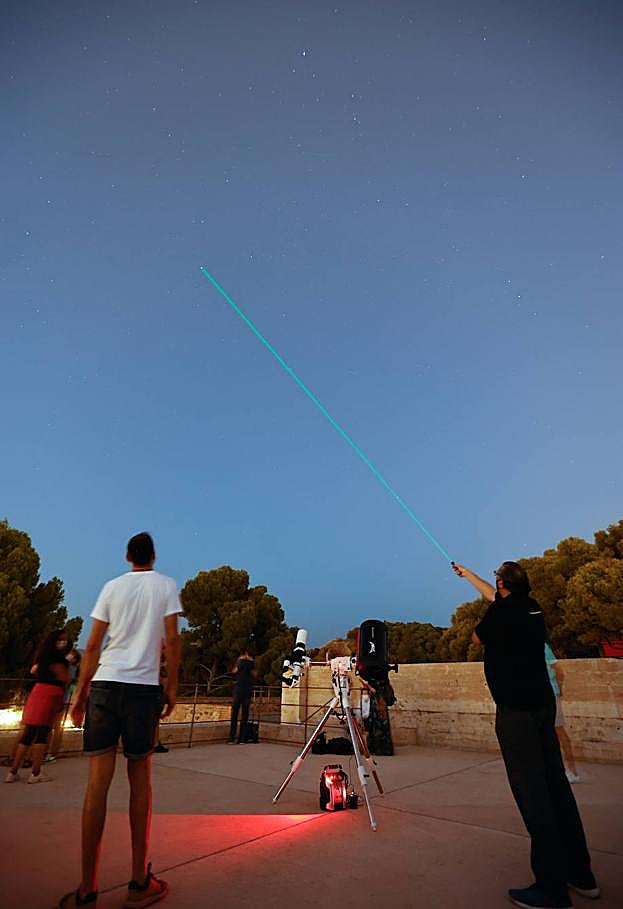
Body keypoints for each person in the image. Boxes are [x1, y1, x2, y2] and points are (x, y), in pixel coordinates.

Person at [452, 560, 598, 909]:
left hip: (517, 712)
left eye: (495, 578)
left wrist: (487, 600)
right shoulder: (532, 607)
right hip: (541, 708)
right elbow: (497, 600)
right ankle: (581, 875)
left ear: (502, 583)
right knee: (557, 787)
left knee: (534, 795)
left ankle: (550, 888)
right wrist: (467, 575)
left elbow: (477, 637)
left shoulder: (502, 613)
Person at [56, 532, 181, 909]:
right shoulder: (166, 585)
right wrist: (170, 687)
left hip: (106, 686)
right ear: (153, 556)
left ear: (127, 556)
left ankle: (86, 889)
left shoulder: (111, 587)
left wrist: (80, 696)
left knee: (97, 787)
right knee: (139, 781)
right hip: (142, 691)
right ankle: (139, 881)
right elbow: (172, 640)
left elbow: (92, 645)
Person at [5, 629, 71, 784]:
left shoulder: (42, 657)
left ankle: (13, 772)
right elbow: (64, 678)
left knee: (28, 733)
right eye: (62, 639)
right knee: (42, 733)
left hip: (37, 692)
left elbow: (34, 670)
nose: (64, 642)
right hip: (51, 694)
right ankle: (36, 772)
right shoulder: (59, 660)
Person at [544, 643, 580, 783]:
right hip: (544, 694)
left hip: (549, 694)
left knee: (558, 731)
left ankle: (571, 770)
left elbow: (559, 670)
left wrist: (558, 689)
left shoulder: (542, 646)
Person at [46, 648, 82, 763]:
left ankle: (51, 753)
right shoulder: (71, 668)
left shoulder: (69, 668)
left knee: (55, 727)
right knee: (56, 727)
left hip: (61, 698)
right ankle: (50, 753)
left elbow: (66, 682)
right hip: (63, 698)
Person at [228, 646, 255, 744]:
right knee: (245, 715)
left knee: (234, 714)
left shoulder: (240, 662)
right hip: (247, 690)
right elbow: (254, 674)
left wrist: (238, 661)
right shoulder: (251, 663)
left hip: (238, 690)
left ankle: (232, 737)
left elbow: (234, 671)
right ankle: (242, 738)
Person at [361, 677, 394, 756]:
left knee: (378, 725)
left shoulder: (377, 682)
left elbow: (375, 691)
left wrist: (368, 686)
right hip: (378, 703)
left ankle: (380, 748)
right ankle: (378, 748)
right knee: (377, 725)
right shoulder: (381, 675)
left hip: (378, 702)